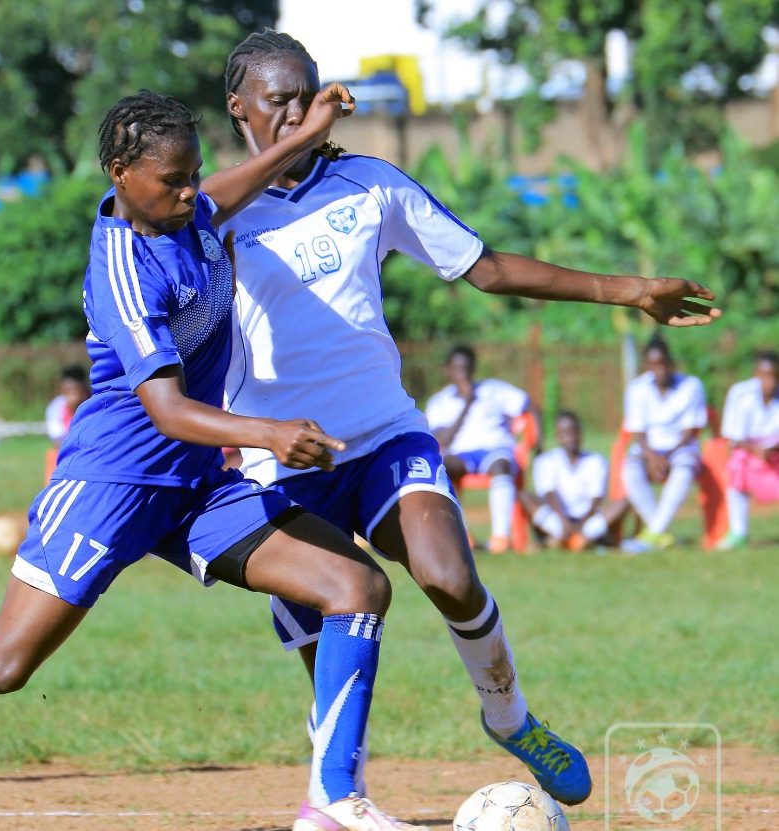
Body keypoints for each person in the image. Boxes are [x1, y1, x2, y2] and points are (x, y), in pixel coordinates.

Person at [0, 89, 418, 831]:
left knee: (354, 584)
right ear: (119, 172)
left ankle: (333, 802)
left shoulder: (189, 211)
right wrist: (268, 432)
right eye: (172, 179)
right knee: (5, 663)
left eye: (193, 174)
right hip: (111, 484)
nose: (189, 190)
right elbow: (166, 408)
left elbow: (237, 181)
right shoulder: (122, 263)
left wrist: (307, 132)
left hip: (195, 485)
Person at [220, 28, 720, 808]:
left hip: (384, 432)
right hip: (280, 461)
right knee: (329, 642)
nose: (291, 114)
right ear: (238, 106)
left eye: (302, 97)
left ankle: (510, 717)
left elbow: (483, 267)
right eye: (274, 100)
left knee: (449, 575)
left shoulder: (370, 184)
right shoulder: (211, 215)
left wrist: (627, 289)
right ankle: (336, 798)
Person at [425, 345, 539, 553]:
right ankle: (462, 535)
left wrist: (537, 439)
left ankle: (500, 538)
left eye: (467, 368)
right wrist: (467, 403)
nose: (463, 374)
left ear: (473, 369)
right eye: (458, 369)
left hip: (495, 449)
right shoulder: (440, 402)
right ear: (448, 370)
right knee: (441, 468)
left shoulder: (493, 390)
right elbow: (443, 439)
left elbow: (529, 406)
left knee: (501, 465)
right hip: (461, 454)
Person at [619, 338, 709, 552]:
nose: (659, 369)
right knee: (629, 470)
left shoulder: (691, 386)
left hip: (679, 449)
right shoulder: (637, 388)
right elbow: (638, 431)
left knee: (684, 470)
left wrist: (666, 455)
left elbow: (690, 432)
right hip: (647, 449)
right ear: (647, 366)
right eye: (654, 364)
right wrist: (651, 456)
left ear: (671, 363)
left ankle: (652, 534)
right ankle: (660, 534)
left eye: (663, 363)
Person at [519, 411, 629, 551]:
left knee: (624, 503)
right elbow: (549, 495)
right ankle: (572, 539)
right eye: (564, 433)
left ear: (580, 434)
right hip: (557, 519)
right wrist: (564, 521)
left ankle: (571, 539)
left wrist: (582, 523)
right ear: (558, 436)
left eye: (573, 432)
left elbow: (596, 498)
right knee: (524, 496)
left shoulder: (596, 461)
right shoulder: (546, 461)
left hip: (587, 519)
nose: (569, 437)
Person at [717, 351, 779, 549]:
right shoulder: (740, 393)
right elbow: (732, 439)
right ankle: (738, 532)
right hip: (749, 455)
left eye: (773, 376)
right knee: (736, 465)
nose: (769, 381)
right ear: (756, 374)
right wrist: (757, 450)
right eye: (764, 375)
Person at [45, 364, 91, 447]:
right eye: (68, 391)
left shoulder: (93, 404)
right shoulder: (56, 408)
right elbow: (57, 440)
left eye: (76, 391)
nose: (73, 396)